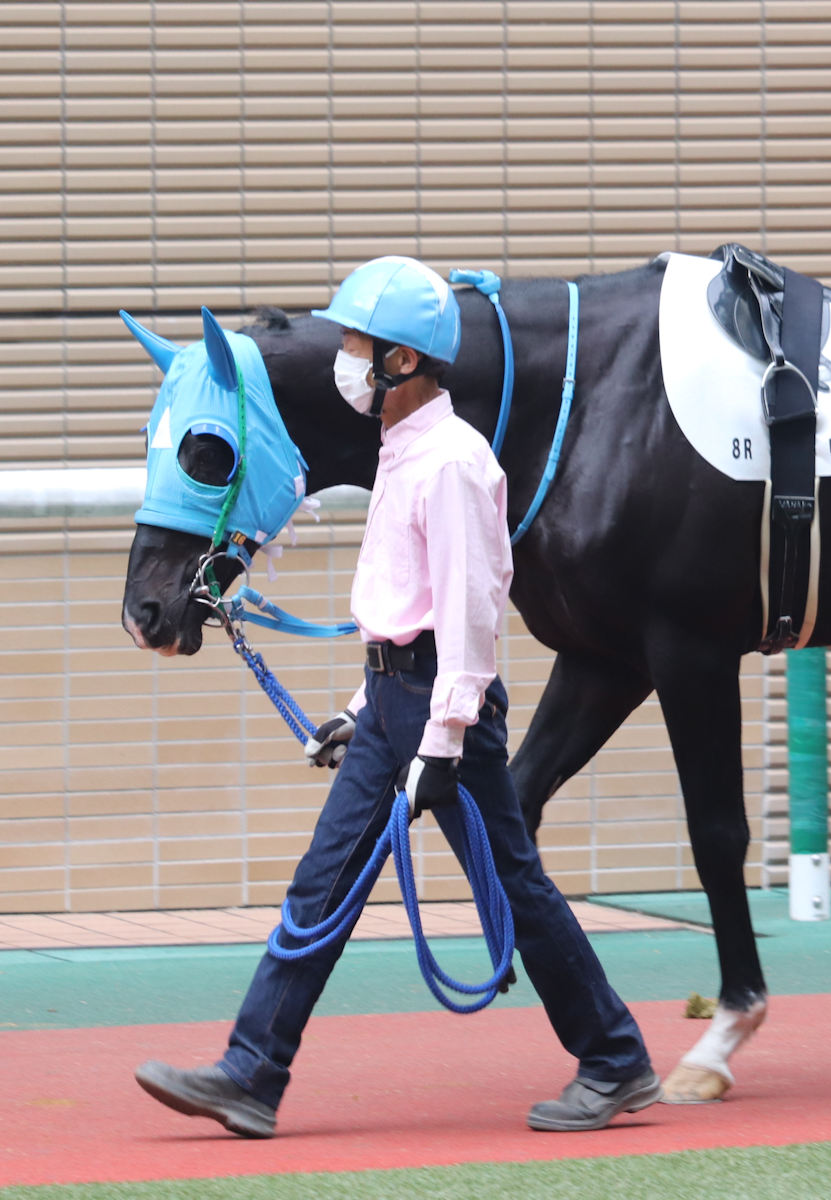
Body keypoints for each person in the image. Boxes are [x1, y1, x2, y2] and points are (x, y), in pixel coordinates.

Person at [135, 255, 660, 1137]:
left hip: (439, 709)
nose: (343, 358)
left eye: (356, 343)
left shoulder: (452, 462)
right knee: (323, 884)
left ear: (404, 360)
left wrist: (444, 738)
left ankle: (615, 1058)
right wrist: (362, 701)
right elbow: (401, 607)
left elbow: (469, 611)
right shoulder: (402, 451)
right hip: (395, 702)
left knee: (514, 885)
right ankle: (252, 1074)